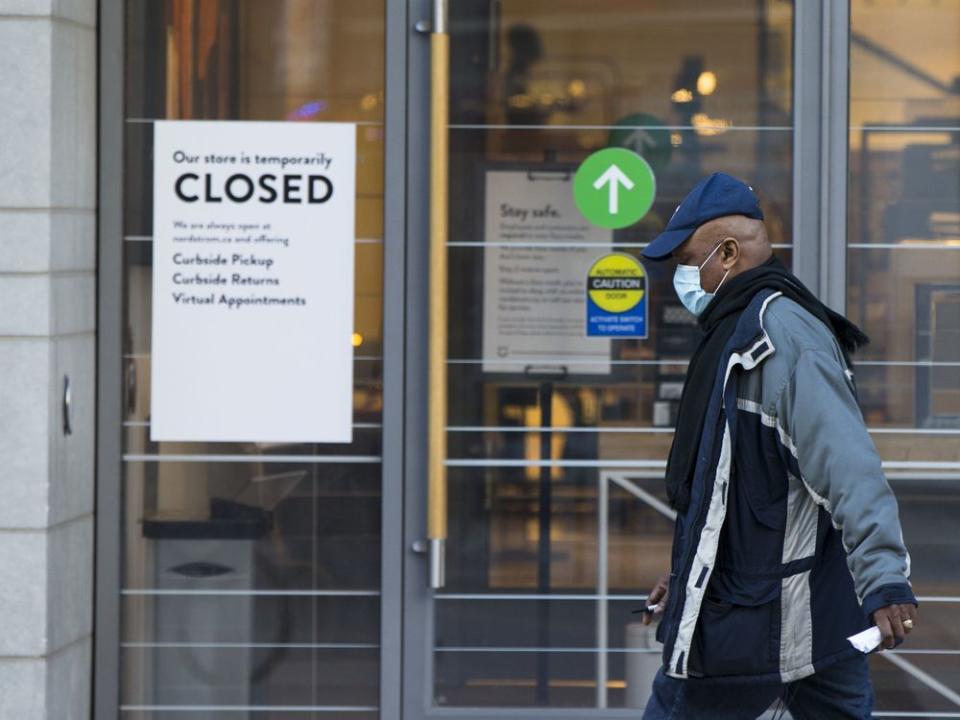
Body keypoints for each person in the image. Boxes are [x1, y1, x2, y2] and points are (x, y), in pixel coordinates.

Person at [637, 173, 917, 719]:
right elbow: (729, 484)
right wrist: (687, 573)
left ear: (728, 253)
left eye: (689, 261)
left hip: (760, 622)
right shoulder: (737, 331)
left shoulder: (781, 340)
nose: (682, 277)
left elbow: (847, 467)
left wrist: (885, 578)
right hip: (790, 613)